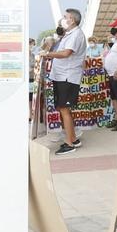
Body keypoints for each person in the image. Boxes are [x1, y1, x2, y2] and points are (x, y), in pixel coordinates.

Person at [42, 8, 87, 155]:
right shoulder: (68, 34)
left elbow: (67, 53)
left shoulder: (77, 35)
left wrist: (48, 54)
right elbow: (58, 46)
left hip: (68, 77)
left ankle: (70, 143)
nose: (62, 19)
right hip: (61, 76)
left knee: (64, 109)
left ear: (72, 20)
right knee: (63, 109)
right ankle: (72, 138)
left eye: (65, 16)